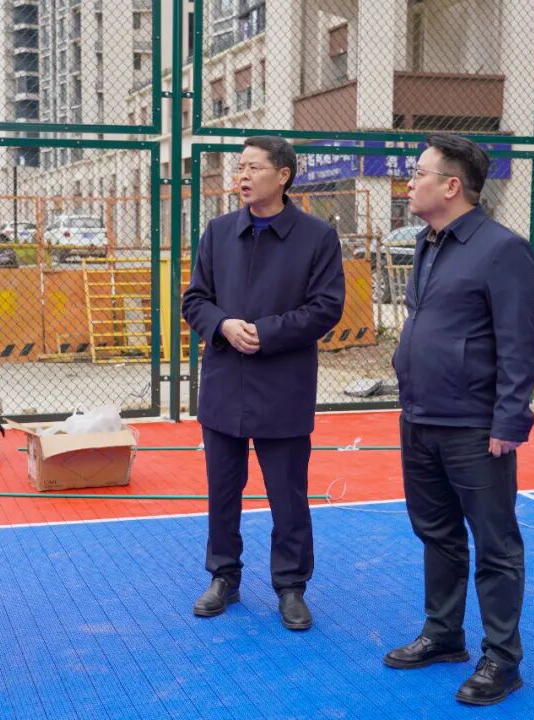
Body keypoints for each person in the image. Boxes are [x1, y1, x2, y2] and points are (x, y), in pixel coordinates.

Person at [383, 133, 534, 706]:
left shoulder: (502, 249)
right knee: (437, 533)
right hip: (420, 416)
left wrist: (509, 420)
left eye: (418, 173)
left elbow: (519, 344)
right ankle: (444, 634)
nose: (409, 182)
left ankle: (502, 658)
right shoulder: (429, 242)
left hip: (474, 425)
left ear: (451, 185)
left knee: (496, 544)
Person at [181, 136, 345, 631]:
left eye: (254, 167)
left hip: (283, 386)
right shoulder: (218, 232)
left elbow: (326, 307)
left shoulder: (317, 237)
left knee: (288, 495)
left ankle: (291, 586)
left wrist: (266, 333)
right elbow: (195, 300)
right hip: (224, 383)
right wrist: (224, 325)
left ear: (284, 175)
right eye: (240, 168)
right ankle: (223, 576)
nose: (243, 176)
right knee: (222, 490)